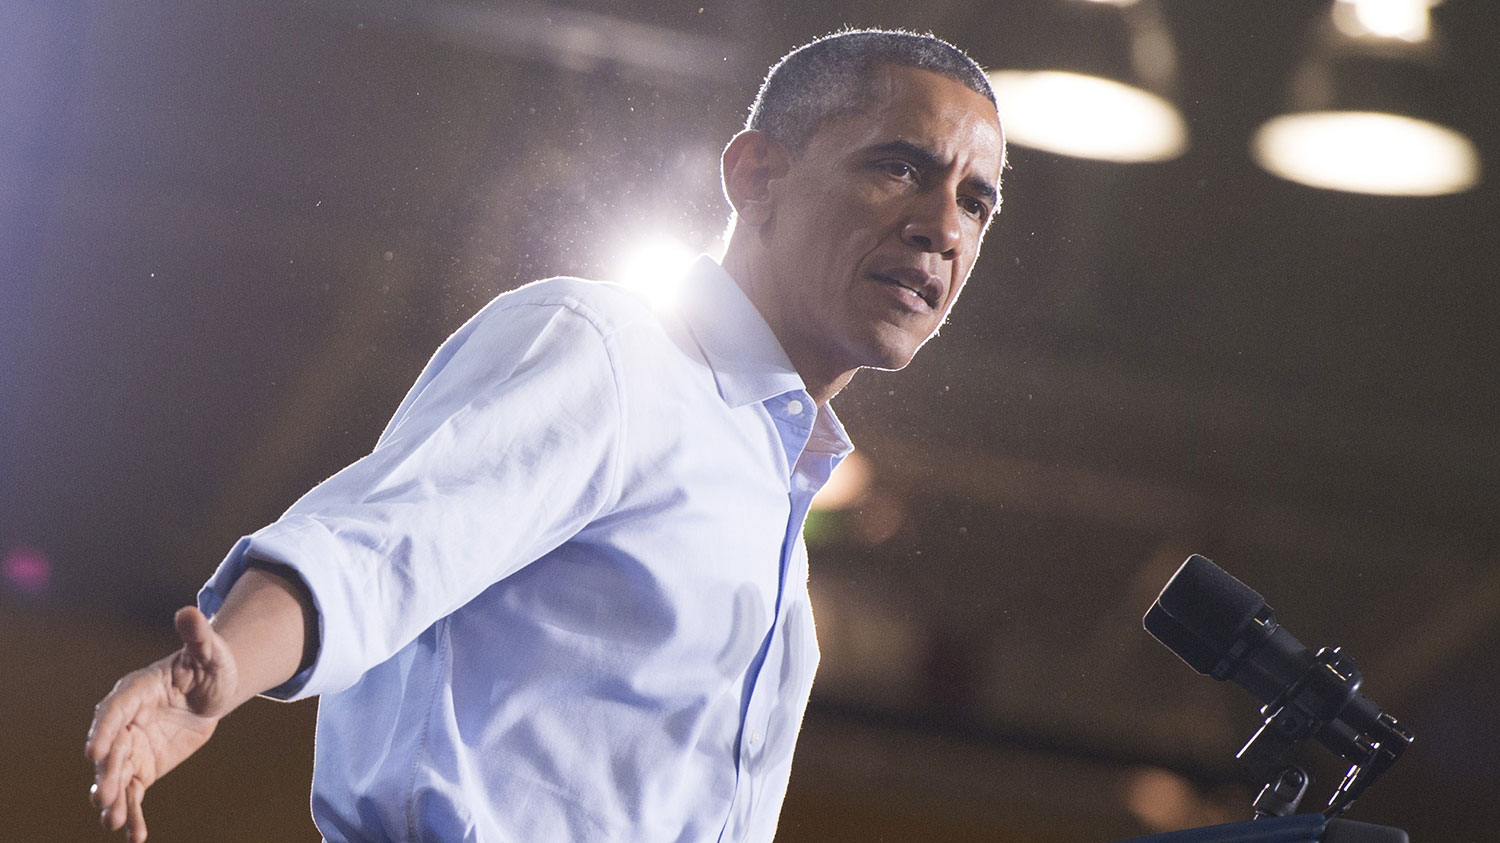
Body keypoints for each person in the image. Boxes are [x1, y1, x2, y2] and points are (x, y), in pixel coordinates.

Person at [86, 27, 1006, 843]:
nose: (942, 228)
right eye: (901, 168)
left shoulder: (772, 490)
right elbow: (388, 538)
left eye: (976, 203)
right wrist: (225, 665)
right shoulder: (613, 352)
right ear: (755, 175)